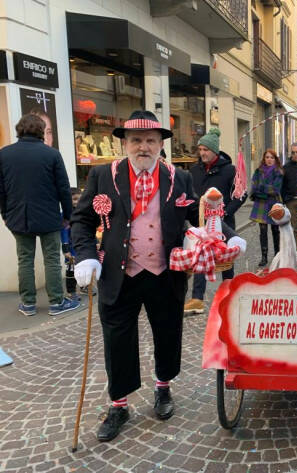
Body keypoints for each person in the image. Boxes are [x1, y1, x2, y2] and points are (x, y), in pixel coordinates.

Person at [71, 110, 245, 442]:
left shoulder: (178, 178)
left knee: (167, 332)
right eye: (136, 140)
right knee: (117, 339)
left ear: (160, 144)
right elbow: (81, 220)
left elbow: (198, 213)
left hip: (164, 270)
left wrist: (226, 233)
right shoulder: (102, 176)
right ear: (125, 142)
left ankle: (163, 387)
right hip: (118, 272)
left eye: (151, 140)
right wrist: (86, 257)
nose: (143, 147)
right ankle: (119, 404)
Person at [0, 113, 79, 316]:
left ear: (19, 130)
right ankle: (56, 302)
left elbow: (1, 190)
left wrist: (5, 215)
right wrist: (68, 215)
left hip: (19, 217)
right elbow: (63, 189)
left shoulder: (4, 154)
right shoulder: (51, 154)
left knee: (24, 260)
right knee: (52, 259)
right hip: (49, 217)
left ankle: (28, 304)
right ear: (41, 132)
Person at [184, 128, 246, 313]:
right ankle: (197, 299)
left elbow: (241, 194)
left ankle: (229, 292)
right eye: (200, 149)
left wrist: (225, 213)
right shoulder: (194, 171)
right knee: (200, 257)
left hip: (224, 225)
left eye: (206, 150)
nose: (202, 153)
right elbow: (190, 196)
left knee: (226, 261)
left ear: (215, 151)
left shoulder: (229, 170)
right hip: (201, 224)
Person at [249, 149, 283, 267]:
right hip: (261, 204)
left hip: (274, 203)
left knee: (275, 230)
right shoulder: (258, 171)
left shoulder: (278, 172)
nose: (269, 160)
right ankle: (264, 257)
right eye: (267, 157)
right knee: (263, 231)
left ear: (275, 159)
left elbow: (276, 189)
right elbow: (254, 188)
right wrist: (265, 190)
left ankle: (277, 255)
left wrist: (262, 188)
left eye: (272, 157)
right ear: (264, 159)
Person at [61, 188, 82, 301]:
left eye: (79, 199)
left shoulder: (83, 213)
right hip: (71, 248)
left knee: (84, 267)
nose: (77, 202)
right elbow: (64, 232)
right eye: (74, 199)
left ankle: (84, 287)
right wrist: (65, 249)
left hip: (82, 247)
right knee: (71, 270)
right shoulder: (66, 215)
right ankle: (71, 292)